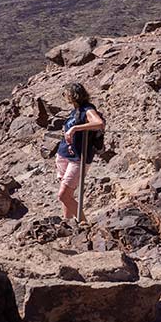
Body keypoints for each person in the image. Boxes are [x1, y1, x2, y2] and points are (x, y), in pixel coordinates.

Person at [56, 82, 105, 223]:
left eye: (66, 93)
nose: (64, 96)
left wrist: (75, 128)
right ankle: (68, 222)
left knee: (63, 196)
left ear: (73, 95)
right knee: (67, 196)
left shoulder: (88, 109)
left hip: (78, 158)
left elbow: (98, 123)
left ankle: (84, 224)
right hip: (65, 154)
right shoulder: (75, 110)